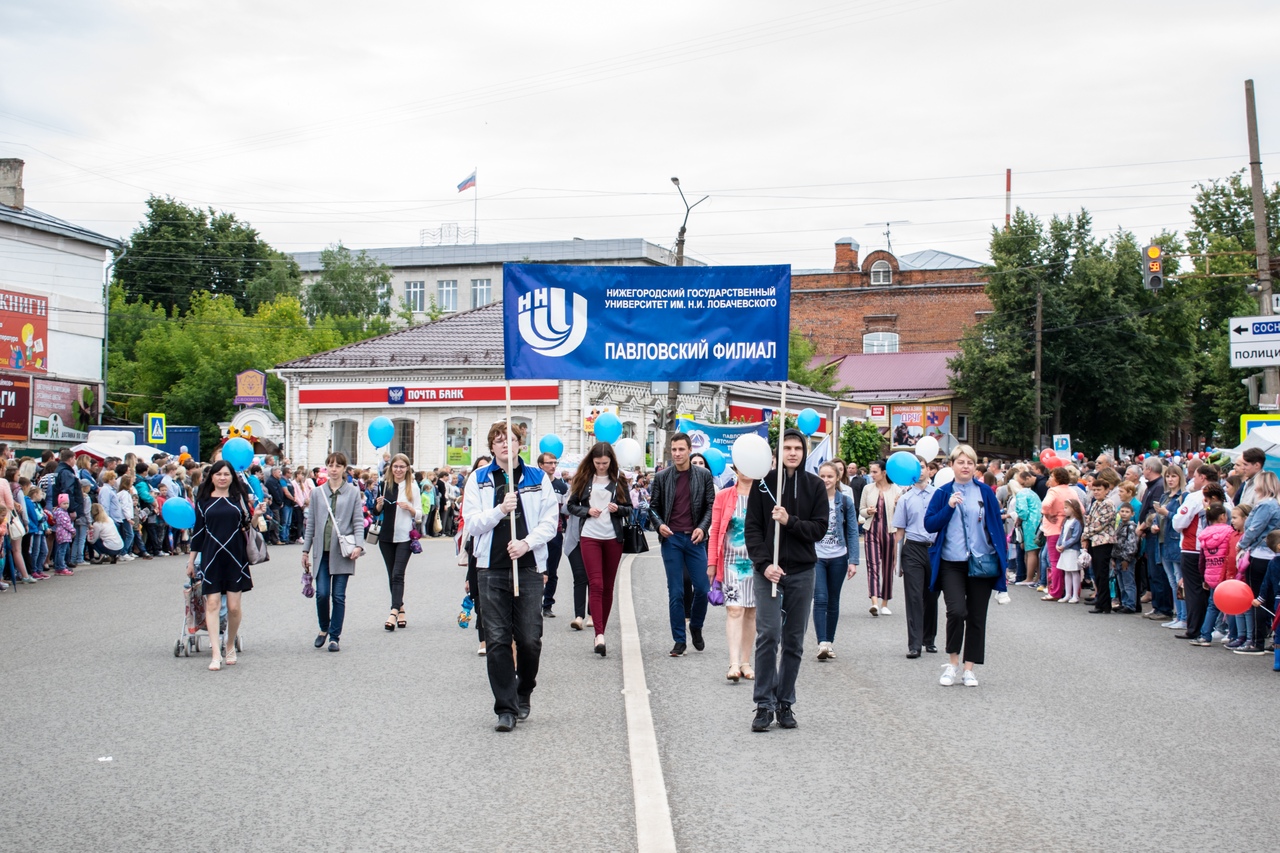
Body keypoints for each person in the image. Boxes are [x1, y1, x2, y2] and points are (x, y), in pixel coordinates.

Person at [461, 422, 558, 732]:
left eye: (512, 439)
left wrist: (526, 543)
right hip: (490, 568)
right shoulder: (479, 479)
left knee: (529, 639)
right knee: (498, 639)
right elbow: (472, 524)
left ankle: (524, 690)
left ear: (520, 445)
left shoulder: (537, 478)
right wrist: (500, 509)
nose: (506, 444)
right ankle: (505, 708)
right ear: (492, 447)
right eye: (499, 440)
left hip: (528, 567)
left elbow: (550, 522)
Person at [744, 429, 828, 731]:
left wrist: (789, 521)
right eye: (787, 448)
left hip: (803, 572)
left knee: (793, 641)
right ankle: (763, 704)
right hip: (769, 572)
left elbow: (819, 529)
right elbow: (751, 529)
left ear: (804, 452)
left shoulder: (815, 486)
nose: (793, 453)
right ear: (777, 454)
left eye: (798, 448)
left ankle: (785, 702)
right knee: (768, 635)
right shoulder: (763, 484)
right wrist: (764, 564)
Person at [923, 444, 1008, 687]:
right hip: (952, 562)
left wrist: (1001, 559)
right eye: (961, 462)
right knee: (957, 611)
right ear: (952, 465)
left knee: (977, 616)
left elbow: (995, 526)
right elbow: (930, 525)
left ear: (975, 466)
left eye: (970, 462)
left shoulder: (985, 492)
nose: (966, 466)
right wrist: (948, 508)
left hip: (981, 561)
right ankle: (952, 663)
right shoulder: (942, 493)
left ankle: (969, 668)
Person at [648, 433, 716, 657]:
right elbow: (653, 508)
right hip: (672, 539)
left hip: (695, 538)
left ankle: (695, 626)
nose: (677, 454)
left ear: (689, 449)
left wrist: (702, 528)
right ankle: (679, 640)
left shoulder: (703, 475)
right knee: (676, 592)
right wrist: (659, 525)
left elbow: (710, 507)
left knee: (703, 589)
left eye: (681, 449)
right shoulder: (662, 477)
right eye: (674, 449)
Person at [186, 460, 255, 671]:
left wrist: (256, 515)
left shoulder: (238, 499)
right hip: (211, 556)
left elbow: (246, 524)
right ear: (212, 477)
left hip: (235, 556)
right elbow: (198, 533)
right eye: (218, 474)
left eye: (226, 474)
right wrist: (191, 560)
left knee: (234, 607)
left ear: (232, 477)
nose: (222, 477)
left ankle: (229, 644)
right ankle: (216, 653)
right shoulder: (203, 501)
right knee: (213, 603)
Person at [566, 442, 631, 657]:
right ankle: (599, 634)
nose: (601, 467)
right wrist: (587, 511)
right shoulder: (583, 478)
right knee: (596, 584)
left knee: (608, 586)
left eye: (605, 463)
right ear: (591, 461)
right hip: (590, 536)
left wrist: (617, 508)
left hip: (613, 537)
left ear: (611, 461)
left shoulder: (619, 479)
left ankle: (601, 626)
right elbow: (571, 505)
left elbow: (629, 508)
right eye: (597, 463)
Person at [301, 453, 366, 653]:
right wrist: (305, 550)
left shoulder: (353, 492)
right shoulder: (318, 493)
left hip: (343, 552)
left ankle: (335, 636)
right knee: (322, 594)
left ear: (344, 468)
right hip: (322, 551)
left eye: (338, 465)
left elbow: (358, 521)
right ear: (326, 468)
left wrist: (358, 546)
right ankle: (324, 628)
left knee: (338, 596)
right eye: (330, 465)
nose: (334, 469)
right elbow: (311, 523)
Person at [708, 467, 759, 681]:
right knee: (735, 610)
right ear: (736, 468)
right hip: (730, 562)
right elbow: (715, 529)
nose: (746, 471)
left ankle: (746, 662)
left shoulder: (764, 496)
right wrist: (711, 563)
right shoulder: (723, 496)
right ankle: (734, 663)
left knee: (751, 612)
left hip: (758, 563)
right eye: (742, 466)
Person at [811, 461, 860, 660]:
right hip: (816, 556)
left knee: (833, 600)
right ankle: (821, 642)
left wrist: (853, 560)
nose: (826, 480)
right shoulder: (812, 500)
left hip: (838, 557)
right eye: (822, 476)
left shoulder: (845, 502)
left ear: (837, 477)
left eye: (830, 476)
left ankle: (829, 642)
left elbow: (852, 531)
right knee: (820, 598)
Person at [1172, 463, 1224, 640]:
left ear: (1202, 477)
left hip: (1193, 548)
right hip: (1217, 549)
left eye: (1194, 476)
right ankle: (1207, 627)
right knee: (1208, 588)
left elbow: (1179, 522)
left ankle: (1195, 628)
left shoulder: (1195, 498)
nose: (1192, 480)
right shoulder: (1225, 498)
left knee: (1194, 589)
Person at [894, 465, 939, 658]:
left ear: (929, 470)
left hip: (935, 549)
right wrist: (898, 562)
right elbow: (899, 531)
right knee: (913, 596)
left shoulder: (939, 495)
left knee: (931, 596)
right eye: (916, 467)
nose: (920, 471)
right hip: (913, 548)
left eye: (923, 467)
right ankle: (914, 643)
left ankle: (929, 638)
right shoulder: (905, 498)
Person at [374, 453, 422, 632]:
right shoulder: (384, 485)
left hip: (405, 536)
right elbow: (376, 511)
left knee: (398, 574)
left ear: (407, 469)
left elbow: (420, 514)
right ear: (391, 468)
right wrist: (378, 505)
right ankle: (400, 608)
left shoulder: (413, 487)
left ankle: (393, 611)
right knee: (391, 574)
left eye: (402, 467)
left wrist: (410, 509)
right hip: (386, 537)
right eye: (396, 466)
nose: (398, 470)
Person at [1234, 471, 1280, 654]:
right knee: (1270, 599)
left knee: (1258, 599)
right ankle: (1272, 640)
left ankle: (1256, 641)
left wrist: (1241, 544)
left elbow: (1254, 528)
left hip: (1260, 555)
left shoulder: (1265, 505)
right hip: (1271, 554)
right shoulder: (1275, 504)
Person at [859, 460, 901, 616]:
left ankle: (885, 603)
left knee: (888, 568)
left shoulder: (896, 489)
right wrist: (868, 512)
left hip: (890, 532)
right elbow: (861, 510)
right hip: (871, 531)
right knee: (873, 566)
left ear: (884, 472)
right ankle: (875, 602)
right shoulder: (867, 489)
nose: (872, 475)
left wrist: (898, 504)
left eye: (875, 472)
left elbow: (901, 514)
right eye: (871, 471)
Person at [1189, 503, 1235, 647]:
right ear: (1223, 516)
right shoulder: (1229, 532)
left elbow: (1202, 559)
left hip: (1211, 573)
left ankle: (1205, 635)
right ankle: (1233, 635)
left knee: (1212, 605)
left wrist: (1204, 576)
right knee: (1231, 605)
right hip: (1225, 573)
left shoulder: (1205, 535)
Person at [538, 452, 569, 620]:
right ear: (541, 465)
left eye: (554, 462)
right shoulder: (535, 483)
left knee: (552, 570)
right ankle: (534, 602)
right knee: (536, 570)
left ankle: (547, 604)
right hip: (537, 533)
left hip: (555, 533)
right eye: (549, 463)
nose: (553, 465)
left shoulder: (561, 486)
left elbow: (566, 510)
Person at [1012, 469, 1043, 586]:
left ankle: (1029, 578)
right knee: (1037, 552)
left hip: (1029, 524)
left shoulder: (1021, 494)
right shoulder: (1032, 493)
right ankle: (1038, 578)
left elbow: (1023, 512)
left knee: (1030, 552)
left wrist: (1019, 518)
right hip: (1038, 523)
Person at [1112, 503, 1141, 612]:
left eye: (1127, 512)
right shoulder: (1120, 525)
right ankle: (1123, 602)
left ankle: (1130, 604)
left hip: (1126, 560)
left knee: (1128, 582)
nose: (1124, 514)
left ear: (1132, 514)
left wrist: (1126, 559)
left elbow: (1132, 545)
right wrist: (1113, 558)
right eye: (1122, 511)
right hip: (1118, 558)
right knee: (1121, 583)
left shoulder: (1131, 527)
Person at [1057, 500, 1084, 603]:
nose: (1064, 510)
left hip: (1072, 549)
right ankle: (1068, 594)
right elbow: (1062, 534)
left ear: (1074, 509)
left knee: (1073, 571)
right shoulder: (1066, 521)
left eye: (1066, 508)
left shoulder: (1077, 522)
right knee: (1067, 571)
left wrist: (1064, 545)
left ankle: (1075, 595)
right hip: (1065, 549)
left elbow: (1075, 537)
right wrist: (1058, 544)